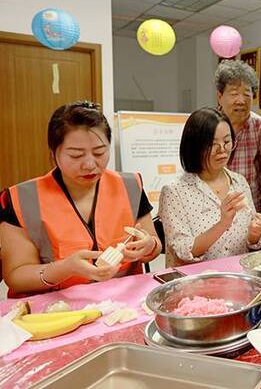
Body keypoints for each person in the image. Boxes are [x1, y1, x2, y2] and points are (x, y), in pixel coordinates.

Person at [0, 102, 161, 296]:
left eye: (100, 152)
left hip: (122, 303)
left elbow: (153, 244)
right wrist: (65, 268)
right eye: (76, 155)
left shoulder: (130, 185)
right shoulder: (21, 199)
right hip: (57, 308)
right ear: (53, 154)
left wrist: (149, 246)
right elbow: (16, 276)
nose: (90, 164)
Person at [159, 108, 261, 267]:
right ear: (194, 146)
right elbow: (182, 251)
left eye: (226, 141)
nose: (222, 150)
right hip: (197, 282)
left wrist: (255, 233)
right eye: (212, 144)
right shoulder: (175, 191)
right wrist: (223, 224)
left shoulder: (239, 182)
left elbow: (250, 244)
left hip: (238, 275)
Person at [215, 60, 261, 213]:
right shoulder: (207, 125)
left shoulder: (260, 128)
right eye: (234, 94)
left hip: (250, 213)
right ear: (219, 96)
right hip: (213, 213)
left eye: (246, 94)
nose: (241, 101)